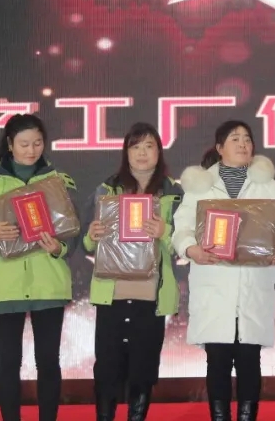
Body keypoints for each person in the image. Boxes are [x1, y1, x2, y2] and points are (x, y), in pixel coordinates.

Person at [0, 113, 78, 421]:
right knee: (9, 362)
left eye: (37, 143)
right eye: (24, 144)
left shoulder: (57, 180)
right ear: (9, 144)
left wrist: (59, 248)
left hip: (48, 283)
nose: (31, 150)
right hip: (4, 284)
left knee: (48, 361)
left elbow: (72, 231)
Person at [172, 120, 275, 421]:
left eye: (247, 139)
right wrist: (191, 249)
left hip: (253, 283)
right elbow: (181, 229)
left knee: (249, 360)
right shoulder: (201, 186)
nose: (243, 144)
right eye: (235, 139)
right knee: (217, 360)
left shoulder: (267, 185)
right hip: (215, 283)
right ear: (219, 148)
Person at [84, 122, 184, 421]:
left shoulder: (173, 193)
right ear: (126, 152)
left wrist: (165, 232)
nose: (142, 153)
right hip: (112, 292)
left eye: (149, 146)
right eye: (135, 146)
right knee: (107, 367)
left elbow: (184, 245)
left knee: (144, 367)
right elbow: (86, 242)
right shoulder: (106, 189)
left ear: (159, 152)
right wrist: (92, 234)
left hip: (151, 294)